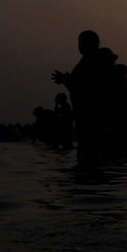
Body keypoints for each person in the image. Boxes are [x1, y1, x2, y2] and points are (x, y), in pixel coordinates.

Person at [52, 30, 108, 165]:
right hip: (87, 117)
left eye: (81, 42)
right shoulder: (90, 60)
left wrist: (68, 80)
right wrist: (67, 81)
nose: (79, 46)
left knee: (88, 156)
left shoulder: (93, 60)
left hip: (91, 117)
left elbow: (89, 87)